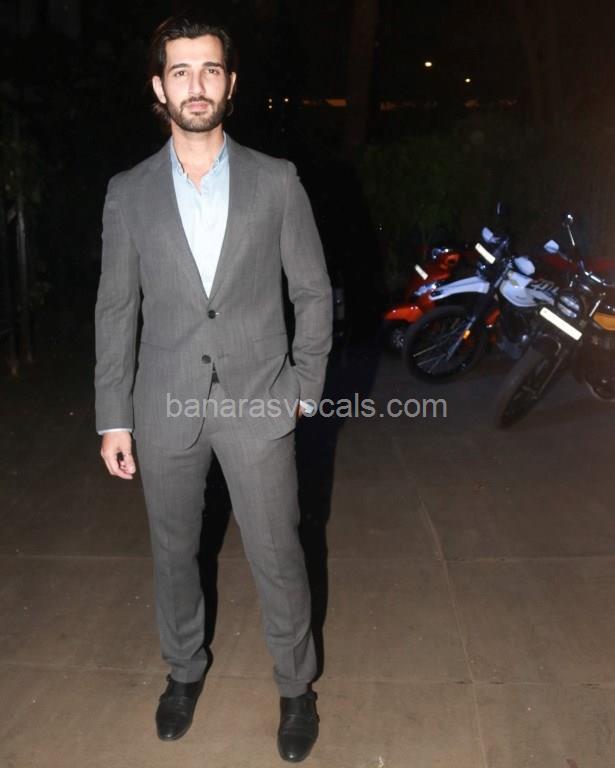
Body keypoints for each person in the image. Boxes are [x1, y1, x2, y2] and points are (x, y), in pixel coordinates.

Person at [94, 15, 332, 763]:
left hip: (259, 400)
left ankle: (295, 686)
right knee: (173, 554)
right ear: (158, 87)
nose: (195, 85)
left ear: (230, 83)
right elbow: (115, 309)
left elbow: (313, 292)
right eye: (180, 71)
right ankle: (183, 671)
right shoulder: (128, 193)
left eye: (209, 70)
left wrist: (304, 386)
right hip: (163, 404)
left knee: (277, 554)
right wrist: (112, 417)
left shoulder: (276, 180)